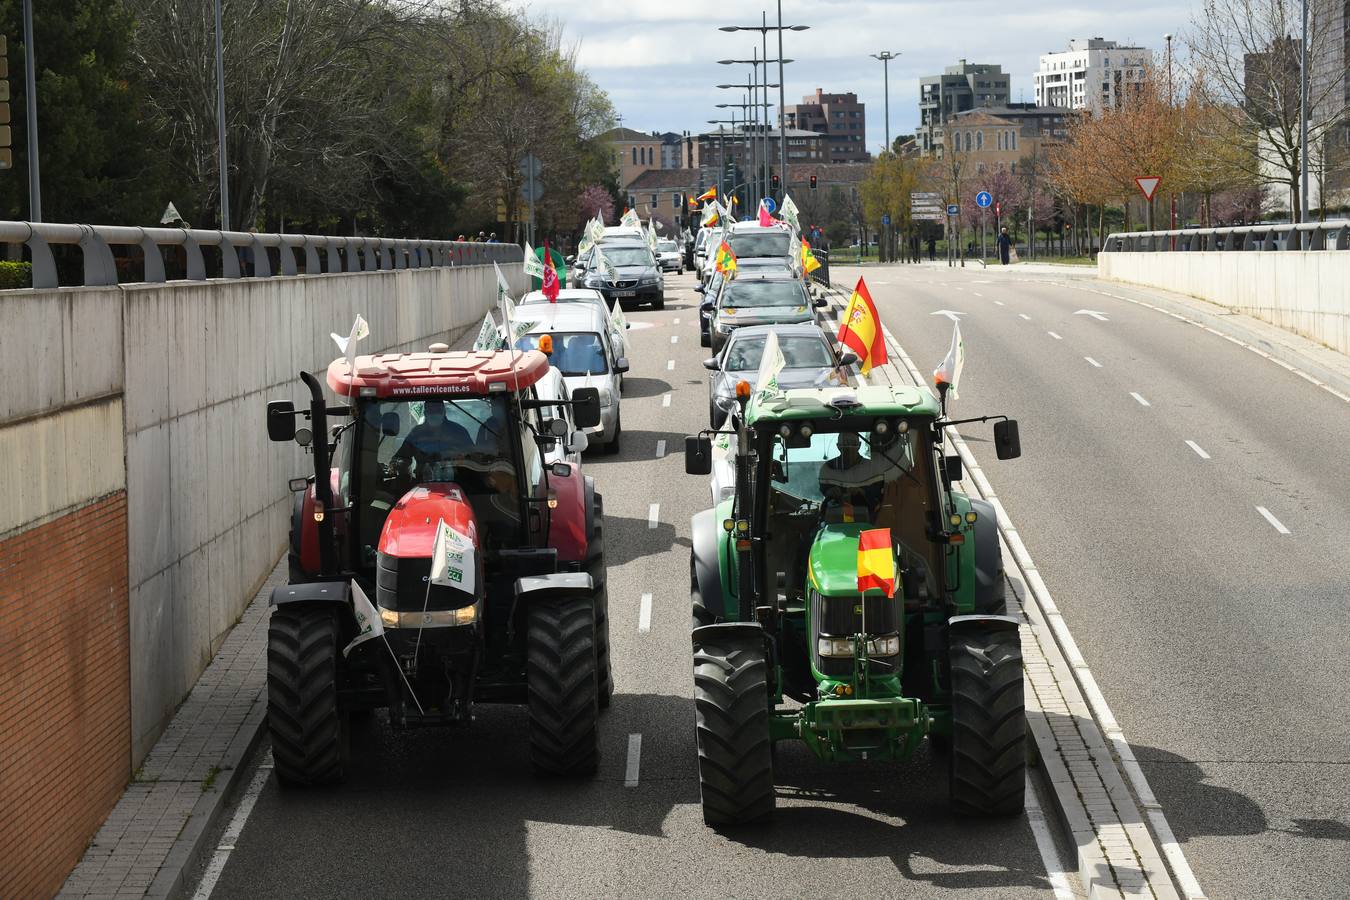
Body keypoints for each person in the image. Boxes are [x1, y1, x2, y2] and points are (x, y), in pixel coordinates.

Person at [391, 400, 474, 482]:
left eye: (438, 410)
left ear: (444, 412)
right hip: (422, 483)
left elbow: (473, 457)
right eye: (431, 410)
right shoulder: (416, 433)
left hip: (457, 482)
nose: (434, 413)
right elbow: (402, 457)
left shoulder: (458, 431)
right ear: (425, 413)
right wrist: (401, 470)